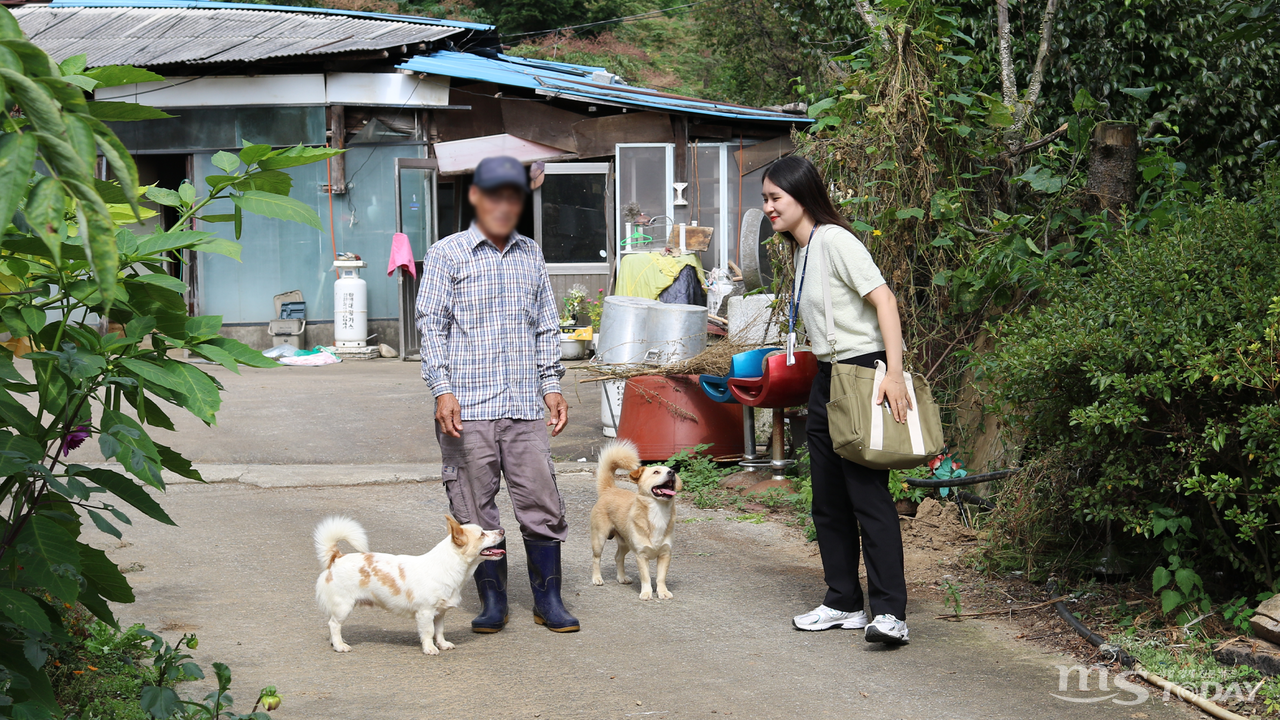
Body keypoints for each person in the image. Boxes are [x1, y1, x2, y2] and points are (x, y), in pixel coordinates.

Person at [415, 155, 579, 634]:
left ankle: (548, 598)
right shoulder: (448, 253)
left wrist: (551, 386)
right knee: (472, 510)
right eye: (495, 196)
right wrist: (442, 390)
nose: (505, 206)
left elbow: (547, 326)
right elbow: (431, 327)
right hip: (466, 410)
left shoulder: (532, 254)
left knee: (541, 502)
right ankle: (493, 602)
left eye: (514, 197)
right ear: (476, 198)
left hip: (525, 406)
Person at [762, 155, 912, 645]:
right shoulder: (803, 249)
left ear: (801, 195)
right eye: (765, 199)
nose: (768, 208)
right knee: (827, 500)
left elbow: (884, 299)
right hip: (827, 376)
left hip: (862, 372)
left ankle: (891, 614)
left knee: (868, 497)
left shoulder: (836, 240)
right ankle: (843, 601)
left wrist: (893, 374)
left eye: (774, 198)